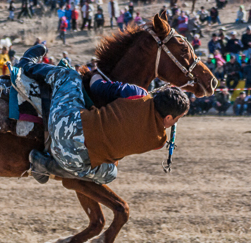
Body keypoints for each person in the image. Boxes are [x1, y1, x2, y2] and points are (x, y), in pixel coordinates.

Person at [21, 45, 189, 185]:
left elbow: (97, 87)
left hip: (61, 126)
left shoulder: (137, 93)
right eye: (177, 119)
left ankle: (26, 65)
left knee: (69, 75)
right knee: (110, 173)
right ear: (168, 117)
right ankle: (46, 165)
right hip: (69, 161)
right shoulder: (158, 141)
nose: (175, 123)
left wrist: (95, 73)